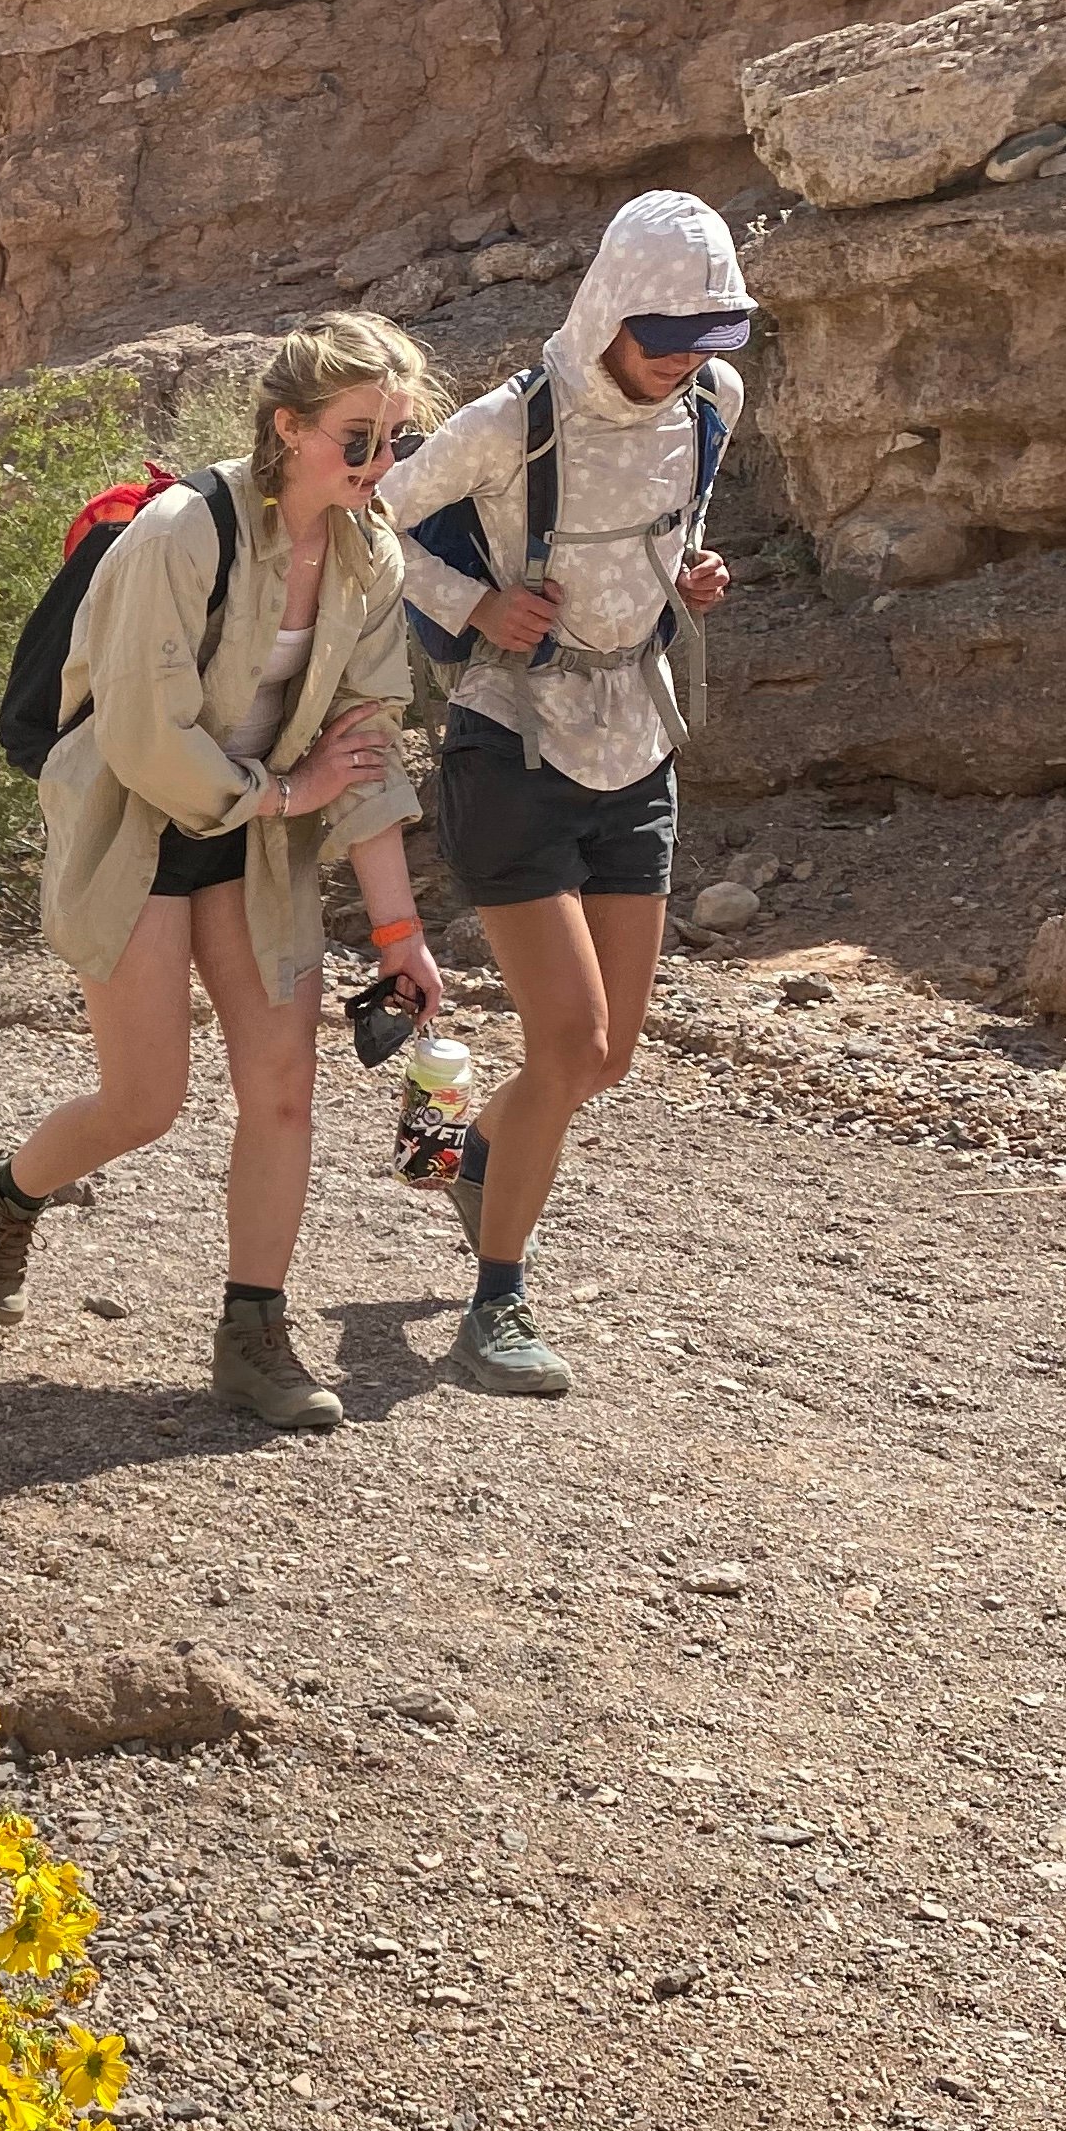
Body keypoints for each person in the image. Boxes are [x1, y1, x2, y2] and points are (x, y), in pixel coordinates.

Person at [0, 314, 447, 1434]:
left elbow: (366, 752)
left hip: (263, 829)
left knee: (283, 1090)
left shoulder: (374, 558)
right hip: (134, 817)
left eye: (399, 444)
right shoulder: (183, 532)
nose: (379, 467)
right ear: (288, 427)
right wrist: (285, 795)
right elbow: (141, 736)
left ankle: (254, 1332)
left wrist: (398, 932)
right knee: (146, 1101)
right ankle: (6, 1191)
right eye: (357, 440)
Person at [383, 189, 747, 1399]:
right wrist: (473, 604)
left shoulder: (712, 405)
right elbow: (372, 525)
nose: (687, 363)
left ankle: (462, 1148)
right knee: (572, 1040)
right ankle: (496, 1305)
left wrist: (686, 572)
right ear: (607, 315)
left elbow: (669, 522)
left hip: (636, 743)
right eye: (667, 338)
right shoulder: (511, 422)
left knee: (607, 1061)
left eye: (711, 338)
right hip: (511, 748)